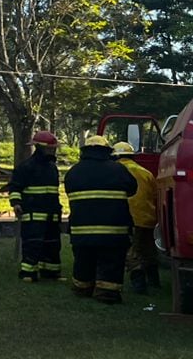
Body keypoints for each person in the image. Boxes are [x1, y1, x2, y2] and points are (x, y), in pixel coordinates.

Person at [63, 134, 136, 304]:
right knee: (111, 261)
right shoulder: (118, 170)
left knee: (83, 260)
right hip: (113, 230)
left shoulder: (73, 172)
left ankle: (82, 288)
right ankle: (106, 293)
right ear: (107, 151)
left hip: (82, 230)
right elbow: (133, 189)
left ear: (85, 151)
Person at [8, 129, 62, 283]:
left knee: (52, 244)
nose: (53, 150)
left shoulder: (52, 167)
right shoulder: (25, 167)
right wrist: (16, 203)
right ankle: (28, 273)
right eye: (50, 148)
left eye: (54, 148)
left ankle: (51, 273)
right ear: (40, 147)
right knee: (32, 244)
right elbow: (15, 188)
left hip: (51, 214)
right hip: (33, 214)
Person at [113, 140, 161, 295]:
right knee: (149, 250)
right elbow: (155, 195)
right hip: (148, 219)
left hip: (130, 218)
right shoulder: (145, 172)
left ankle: (139, 285)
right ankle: (154, 280)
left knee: (132, 253)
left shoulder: (116, 171)